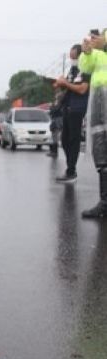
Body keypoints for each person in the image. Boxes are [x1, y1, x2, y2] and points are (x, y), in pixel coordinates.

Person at [53, 44, 90, 181]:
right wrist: (59, 83)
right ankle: (70, 167)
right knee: (64, 141)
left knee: (73, 141)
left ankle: (71, 171)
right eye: (71, 57)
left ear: (81, 56)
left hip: (77, 108)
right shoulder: (72, 69)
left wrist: (66, 84)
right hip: (67, 107)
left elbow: (82, 89)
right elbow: (68, 86)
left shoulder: (86, 69)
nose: (72, 60)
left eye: (74, 57)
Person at [80, 30, 107, 218]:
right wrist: (87, 52)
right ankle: (105, 202)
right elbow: (86, 68)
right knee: (101, 149)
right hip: (98, 101)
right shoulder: (99, 47)